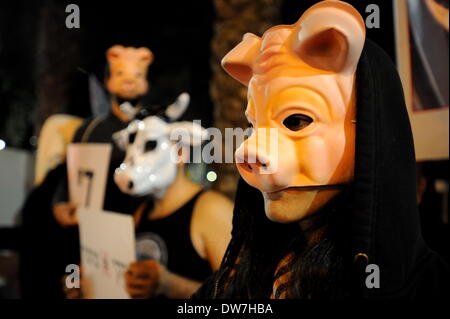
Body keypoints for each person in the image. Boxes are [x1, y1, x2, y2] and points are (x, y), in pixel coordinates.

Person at [193, 0, 450, 299]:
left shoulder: (430, 288)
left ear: (369, 129)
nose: (251, 149)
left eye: (297, 120)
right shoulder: (238, 281)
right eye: (254, 126)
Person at [113, 98, 233, 299]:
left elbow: (238, 297)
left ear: (180, 151)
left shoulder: (211, 210)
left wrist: (170, 285)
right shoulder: (143, 212)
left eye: (150, 145)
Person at [53, 45, 153, 226]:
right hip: (91, 224)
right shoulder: (89, 130)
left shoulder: (153, 130)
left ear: (145, 83)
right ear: (109, 81)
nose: (129, 81)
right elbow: (69, 172)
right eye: (120, 74)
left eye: (137, 75)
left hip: (141, 226)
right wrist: (60, 202)